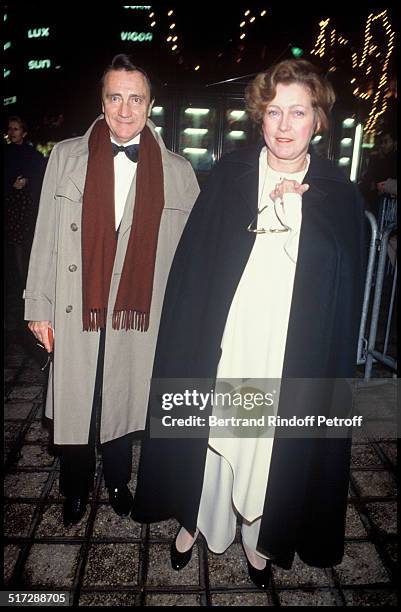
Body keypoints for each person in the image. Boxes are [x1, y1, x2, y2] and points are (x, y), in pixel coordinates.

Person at [132, 59, 366, 589]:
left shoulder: (337, 192)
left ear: (318, 121)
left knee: (269, 441)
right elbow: (195, 269)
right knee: (214, 428)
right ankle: (197, 522)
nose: (284, 125)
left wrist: (300, 219)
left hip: (286, 348)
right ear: (260, 118)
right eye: (274, 112)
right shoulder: (232, 175)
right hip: (227, 340)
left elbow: (340, 289)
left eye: (298, 112)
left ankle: (262, 537)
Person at [24, 54, 199, 527]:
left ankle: (120, 481)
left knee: (122, 394)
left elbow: (194, 256)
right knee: (79, 396)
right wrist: (38, 306)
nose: (125, 109)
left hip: (139, 312)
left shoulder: (179, 172)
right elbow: (44, 235)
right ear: (102, 102)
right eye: (115, 97)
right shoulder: (65, 156)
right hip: (75, 300)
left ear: (150, 104)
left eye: (135, 98)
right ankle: (76, 484)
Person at [4, 115, 46, 292]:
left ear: (24, 132)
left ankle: (30, 283)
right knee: (16, 245)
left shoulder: (33, 155)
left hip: (29, 205)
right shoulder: (5, 153)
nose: (12, 132)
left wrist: (27, 181)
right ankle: (22, 283)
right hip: (11, 204)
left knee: (28, 244)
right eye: (10, 128)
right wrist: (10, 184)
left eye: (16, 129)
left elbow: (41, 177)